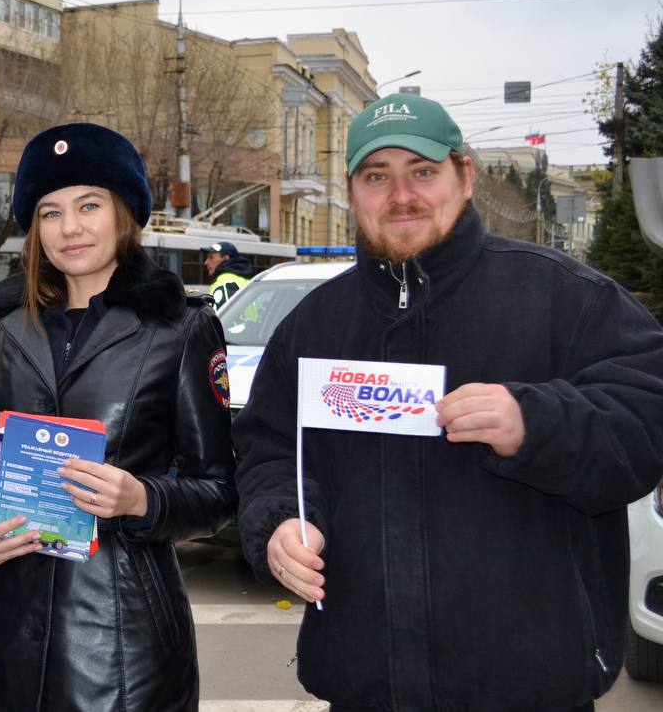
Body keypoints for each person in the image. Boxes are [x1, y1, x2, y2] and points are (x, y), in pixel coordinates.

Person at [233, 92, 663, 711]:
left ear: (464, 177)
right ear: (352, 193)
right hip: (366, 684)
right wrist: (277, 523)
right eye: (377, 176)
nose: (401, 195)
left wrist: (534, 423)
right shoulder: (314, 326)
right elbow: (270, 450)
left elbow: (647, 427)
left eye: (423, 172)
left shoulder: (567, 300)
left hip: (529, 688)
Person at [0, 122, 237, 712]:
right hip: (4, 636)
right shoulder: (2, 325)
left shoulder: (181, 328)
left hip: (123, 645)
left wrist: (140, 498)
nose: (69, 228)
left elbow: (221, 489)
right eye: (50, 212)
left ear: (124, 214)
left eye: (88, 205)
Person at [202, 240, 252, 308]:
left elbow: (219, 317)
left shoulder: (224, 284)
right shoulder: (246, 281)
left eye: (211, 257)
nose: (206, 262)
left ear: (226, 259)